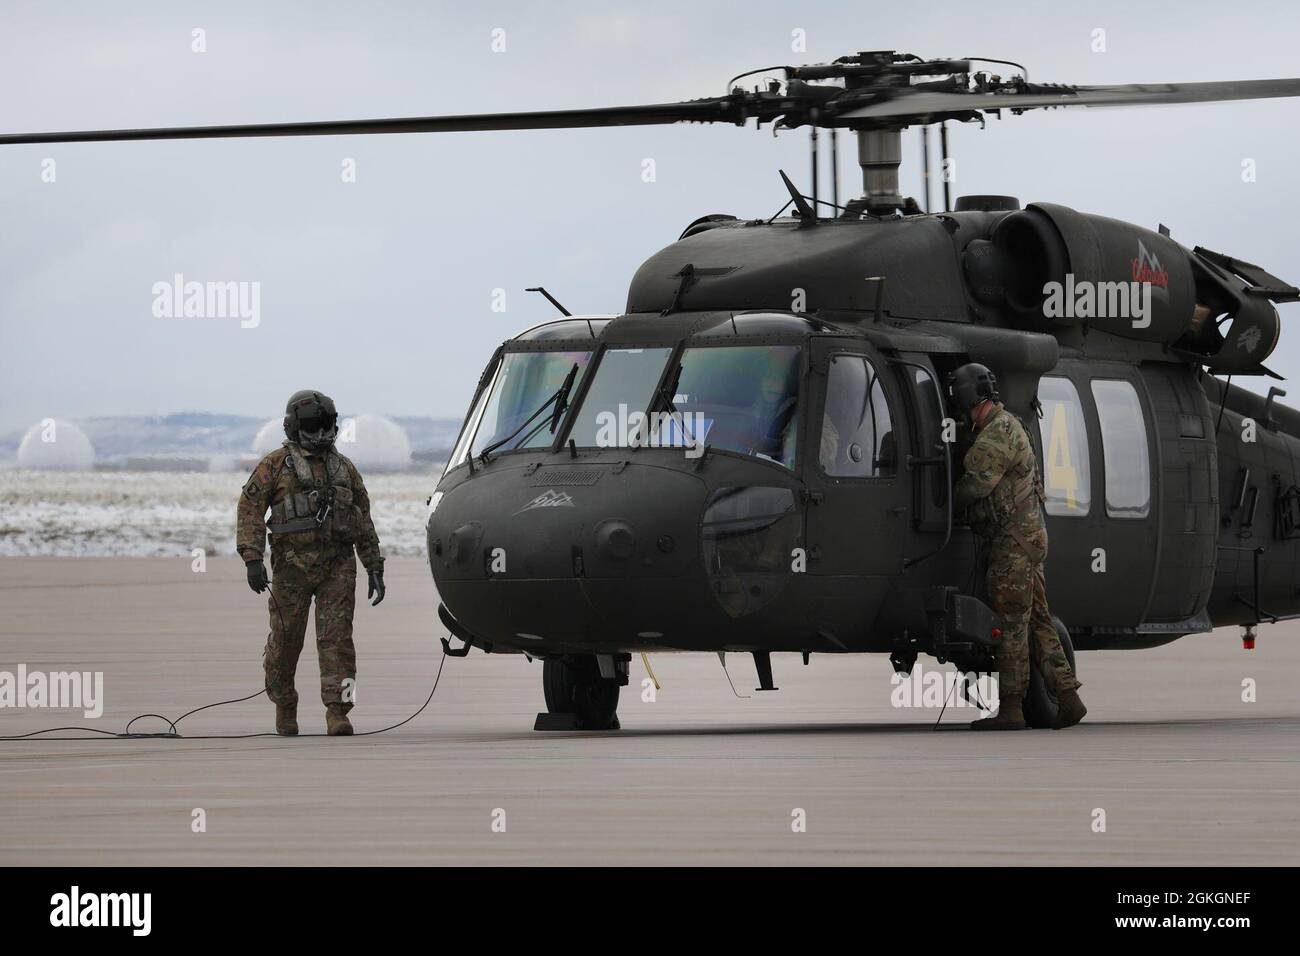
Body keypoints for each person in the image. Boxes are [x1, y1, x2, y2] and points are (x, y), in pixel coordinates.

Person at [237, 390, 385, 736]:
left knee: (338, 642)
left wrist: (373, 565)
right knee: (285, 642)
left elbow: (362, 519)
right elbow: (250, 509)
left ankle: (338, 711)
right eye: (313, 426)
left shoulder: (344, 469)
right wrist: (252, 557)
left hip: (338, 565)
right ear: (294, 427)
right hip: (291, 568)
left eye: (325, 425)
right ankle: (285, 705)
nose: (320, 434)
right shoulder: (275, 466)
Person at [948, 363, 1086, 731]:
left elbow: (976, 485)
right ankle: (1068, 697)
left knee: (1011, 625)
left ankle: (1011, 708)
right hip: (1027, 539)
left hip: (1012, 544)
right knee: (1039, 622)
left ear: (966, 399)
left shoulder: (997, 433)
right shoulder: (1010, 425)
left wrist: (942, 496)